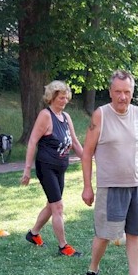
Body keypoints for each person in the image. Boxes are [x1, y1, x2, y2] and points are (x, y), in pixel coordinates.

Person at [79, 70, 138, 275]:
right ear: (110, 91)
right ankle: (92, 270)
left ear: (132, 92)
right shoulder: (101, 115)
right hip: (111, 186)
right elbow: (86, 153)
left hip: (137, 184)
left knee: (134, 233)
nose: (122, 97)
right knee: (104, 234)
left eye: (127, 92)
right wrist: (87, 186)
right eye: (118, 92)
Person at [21, 80, 85, 256]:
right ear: (51, 98)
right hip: (46, 166)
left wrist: (88, 157)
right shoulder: (45, 115)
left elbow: (75, 143)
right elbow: (33, 141)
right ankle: (64, 247)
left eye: (66, 98)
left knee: (51, 205)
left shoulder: (66, 118)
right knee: (58, 207)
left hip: (60, 168)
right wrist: (27, 169)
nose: (64, 101)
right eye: (60, 98)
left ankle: (33, 234)